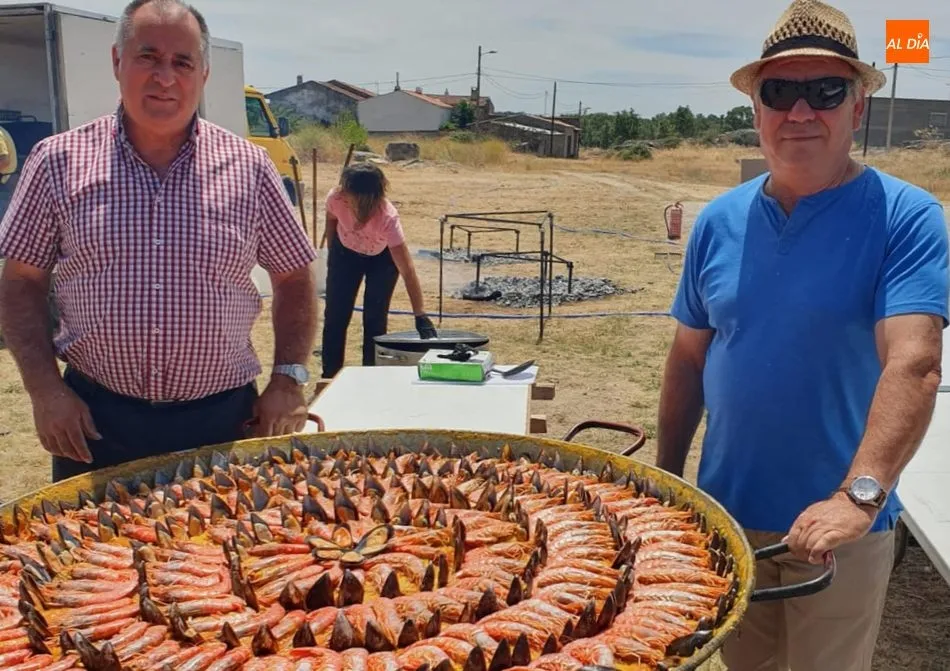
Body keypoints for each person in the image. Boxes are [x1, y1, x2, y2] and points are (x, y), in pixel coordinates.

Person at [655, 1, 948, 669]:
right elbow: (688, 360)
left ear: (858, 108)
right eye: (780, 91)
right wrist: (667, 483)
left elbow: (915, 363)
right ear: (757, 109)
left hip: (840, 530)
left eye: (826, 90)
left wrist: (859, 496)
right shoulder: (717, 221)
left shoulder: (905, 217)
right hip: (727, 518)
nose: (800, 111)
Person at [0, 0, 319, 483]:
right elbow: (21, 282)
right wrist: (45, 391)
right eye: (148, 57)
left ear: (204, 73)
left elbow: (295, 277)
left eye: (182, 62)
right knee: (89, 559)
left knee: (219, 556)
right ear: (116, 62)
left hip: (223, 423)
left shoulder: (250, 169)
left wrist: (287, 379)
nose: (165, 77)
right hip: (95, 423)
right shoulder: (56, 162)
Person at [321, 162, 436, 379]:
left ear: (365, 196)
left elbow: (408, 270)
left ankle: (370, 376)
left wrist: (420, 314)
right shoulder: (336, 198)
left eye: (348, 189)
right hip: (345, 255)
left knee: (374, 318)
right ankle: (329, 376)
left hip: (382, 260)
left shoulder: (387, 217)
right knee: (335, 315)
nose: (342, 191)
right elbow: (331, 219)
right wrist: (332, 252)